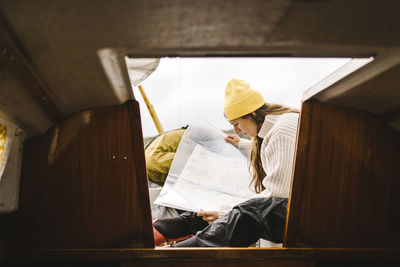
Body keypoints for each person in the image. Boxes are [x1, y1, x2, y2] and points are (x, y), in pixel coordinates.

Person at [152, 78, 299, 247]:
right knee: (212, 212)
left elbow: (279, 193)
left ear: (251, 114)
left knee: (244, 213)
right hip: (289, 210)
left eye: (236, 123)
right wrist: (241, 144)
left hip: (302, 216)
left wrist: (224, 212)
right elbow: (273, 148)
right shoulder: (274, 130)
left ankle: (176, 254)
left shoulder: (282, 130)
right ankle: (157, 231)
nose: (237, 130)